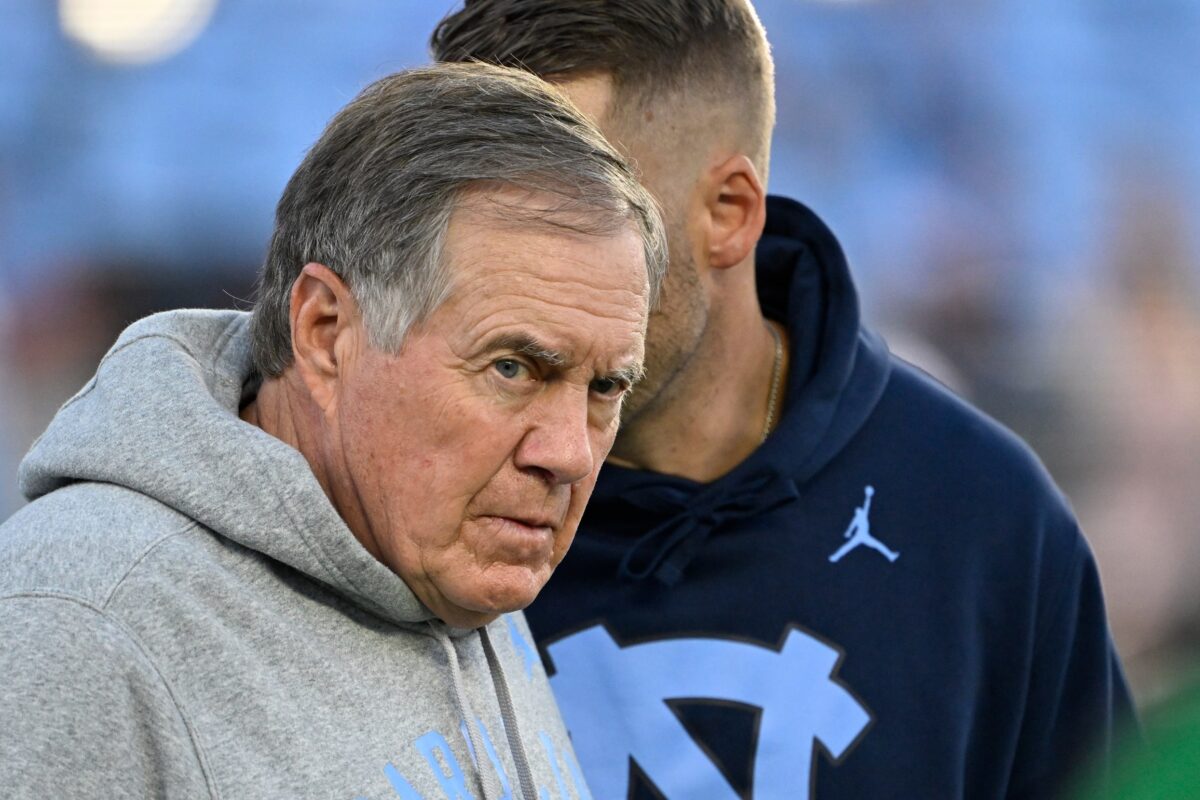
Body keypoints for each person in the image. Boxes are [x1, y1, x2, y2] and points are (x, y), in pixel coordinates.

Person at [431, 3, 1136, 798]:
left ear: (729, 213)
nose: (520, 290)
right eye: (481, 225)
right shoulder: (411, 499)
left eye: (572, 220)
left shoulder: (978, 519)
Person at [0, 62, 665, 800]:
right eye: (513, 368)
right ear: (325, 332)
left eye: (605, 387)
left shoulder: (457, 565)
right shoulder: (76, 622)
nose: (569, 453)